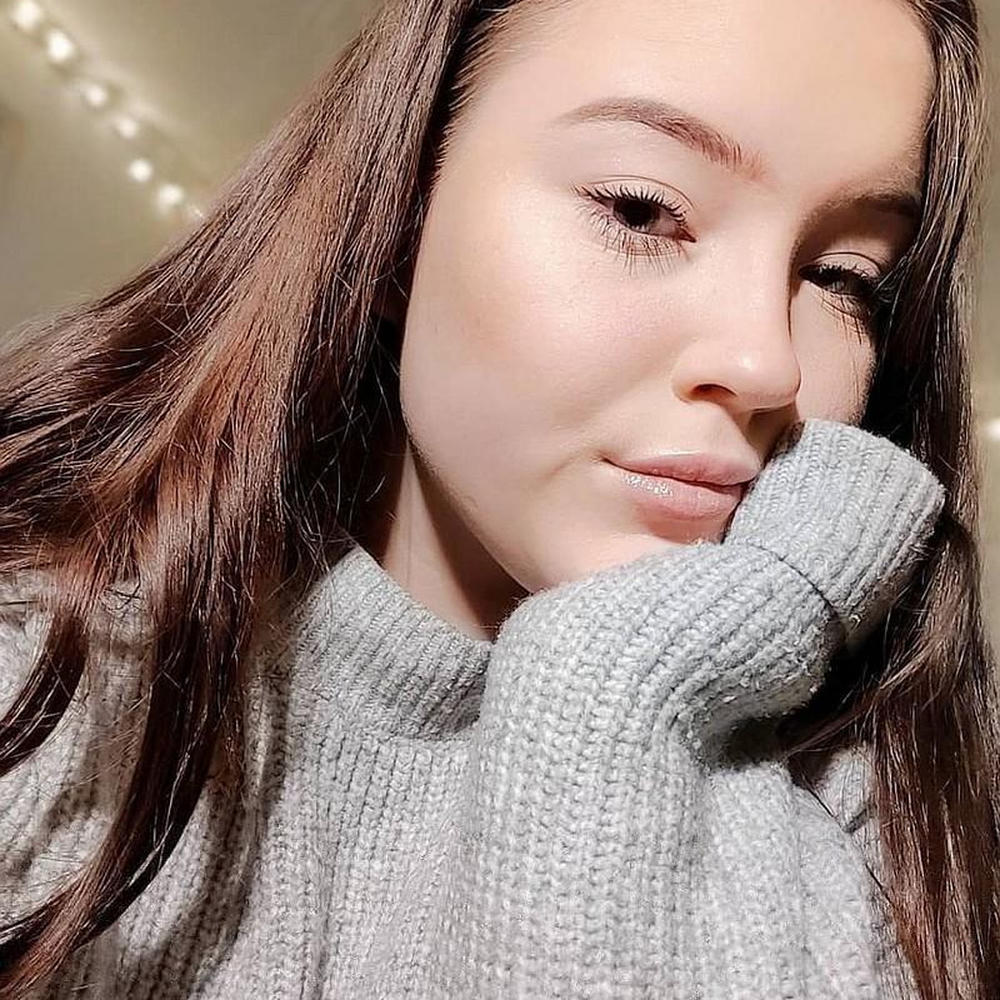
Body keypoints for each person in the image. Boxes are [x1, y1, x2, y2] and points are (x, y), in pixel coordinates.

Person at [0, 0, 997, 996]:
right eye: (640, 210)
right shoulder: (42, 686)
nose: (765, 361)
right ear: (400, 210)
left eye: (842, 277)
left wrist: (621, 685)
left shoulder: (895, 842)